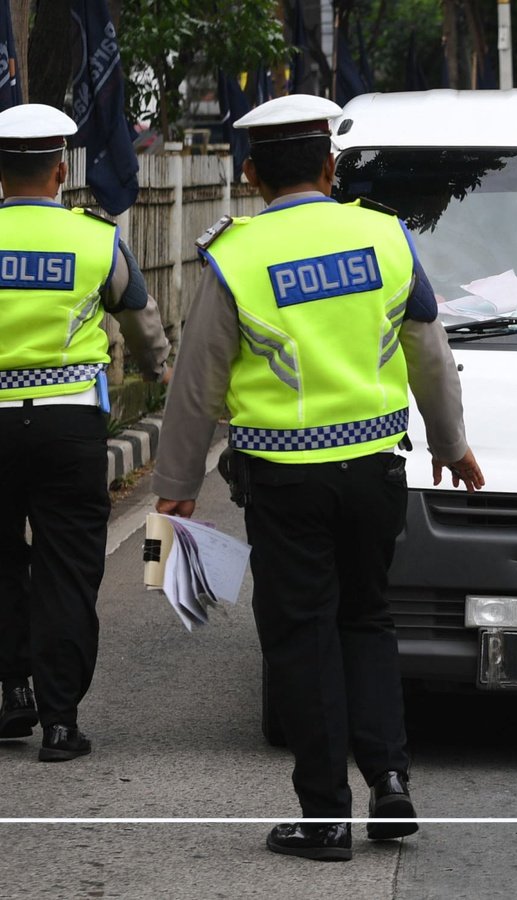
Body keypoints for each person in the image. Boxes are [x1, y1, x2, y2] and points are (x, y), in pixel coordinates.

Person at [152, 95, 483, 862]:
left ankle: (325, 815)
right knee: (367, 619)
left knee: (301, 637)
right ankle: (391, 779)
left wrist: (175, 487)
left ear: (252, 174)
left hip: (283, 480)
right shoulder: (386, 236)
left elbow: (198, 382)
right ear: (331, 165)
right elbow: (429, 350)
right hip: (376, 470)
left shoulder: (236, 255)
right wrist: (452, 442)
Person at [0, 104, 170, 762]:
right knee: (68, 570)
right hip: (70, 424)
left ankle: (12, 692)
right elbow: (141, 317)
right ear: (59, 172)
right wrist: (156, 372)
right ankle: (61, 721)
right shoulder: (96, 240)